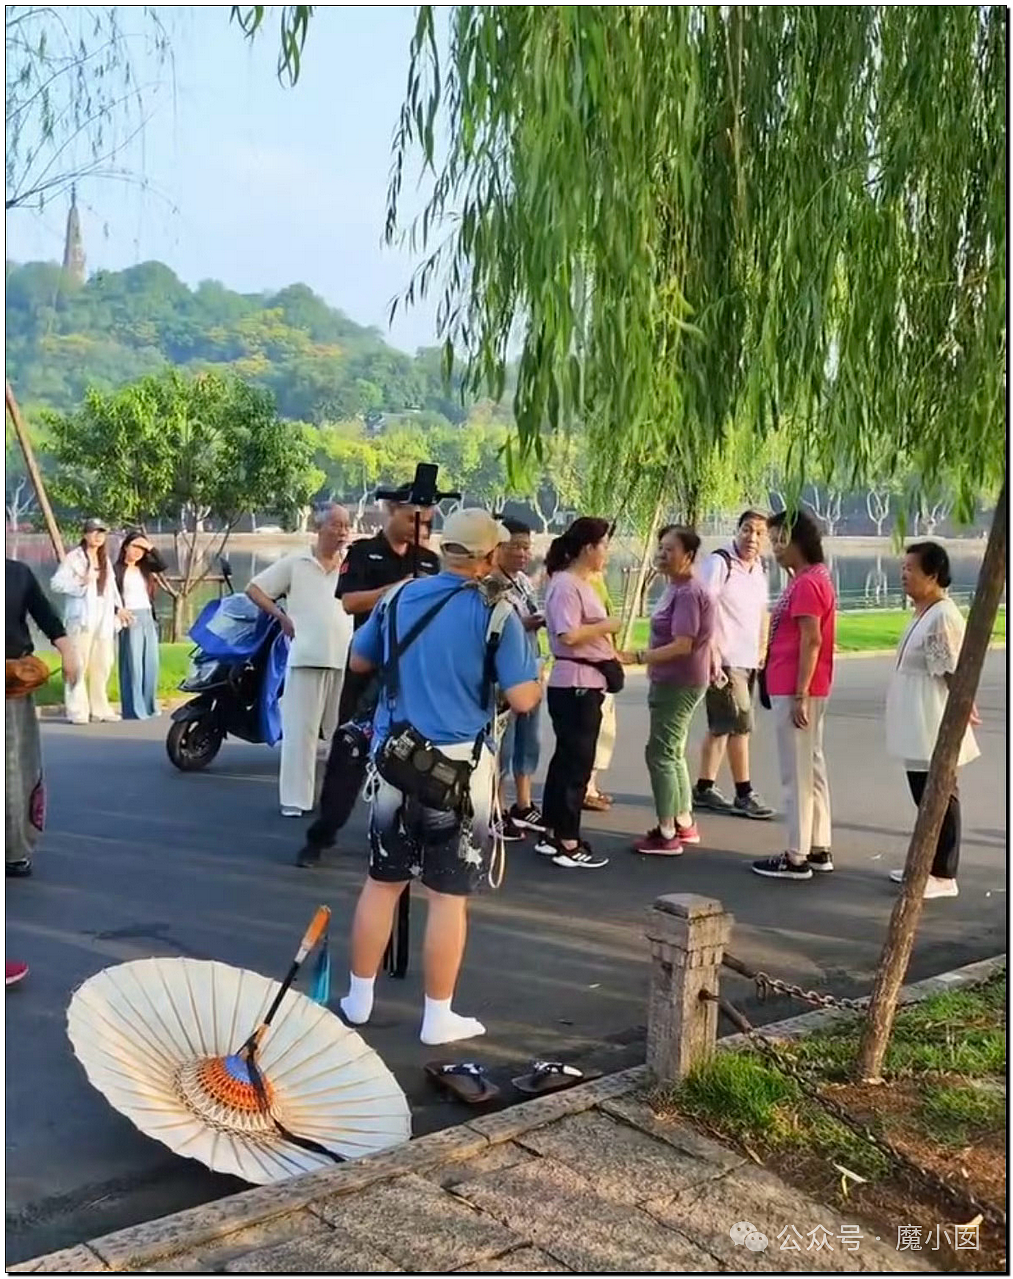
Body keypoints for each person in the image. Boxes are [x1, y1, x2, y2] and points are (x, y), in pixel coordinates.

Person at [338, 508, 540, 1045]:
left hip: (395, 757)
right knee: (448, 898)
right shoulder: (497, 614)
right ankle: (437, 1016)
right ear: (489, 556)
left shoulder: (400, 597)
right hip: (461, 771)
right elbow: (523, 698)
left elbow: (359, 662)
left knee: (382, 884)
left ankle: (358, 998)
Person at [885, 542, 980, 900]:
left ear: (933, 575)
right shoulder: (922, 612)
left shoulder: (943, 615)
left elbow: (952, 670)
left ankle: (944, 872)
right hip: (915, 716)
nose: (904, 575)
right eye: (903, 568)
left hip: (932, 717)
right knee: (923, 794)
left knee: (939, 793)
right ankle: (926, 863)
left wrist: (964, 706)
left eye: (911, 568)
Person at [247, 504, 354, 817]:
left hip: (345, 660)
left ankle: (336, 801)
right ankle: (296, 800)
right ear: (319, 528)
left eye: (346, 525)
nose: (342, 531)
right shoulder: (297, 562)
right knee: (300, 734)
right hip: (306, 657)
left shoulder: (351, 566)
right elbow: (255, 589)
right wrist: (281, 616)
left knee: (344, 736)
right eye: (336, 524)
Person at [751, 509, 837, 881]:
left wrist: (800, 693)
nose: (774, 548)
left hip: (797, 686)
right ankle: (817, 845)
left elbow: (811, 639)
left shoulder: (807, 584)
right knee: (811, 766)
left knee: (796, 772)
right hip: (797, 685)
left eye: (779, 540)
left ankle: (796, 854)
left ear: (798, 540)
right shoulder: (808, 578)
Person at [622, 527, 714, 855]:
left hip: (677, 681)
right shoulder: (676, 587)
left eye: (670, 549)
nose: (662, 554)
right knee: (672, 751)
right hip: (678, 679)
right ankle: (683, 822)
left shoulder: (688, 592)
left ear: (688, 556)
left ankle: (666, 831)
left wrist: (636, 656)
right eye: (660, 548)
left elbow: (683, 645)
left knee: (659, 754)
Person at [535, 517, 617, 870]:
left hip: (585, 680)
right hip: (577, 683)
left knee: (567, 759)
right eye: (604, 547)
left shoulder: (578, 583)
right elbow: (568, 635)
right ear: (588, 548)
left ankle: (554, 829)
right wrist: (607, 626)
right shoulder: (568, 585)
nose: (606, 555)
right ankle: (567, 838)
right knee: (576, 763)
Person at [694, 510, 773, 819]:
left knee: (722, 726)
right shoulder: (719, 563)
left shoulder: (758, 569)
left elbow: (762, 611)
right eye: (747, 530)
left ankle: (704, 788)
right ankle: (744, 792)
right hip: (725, 660)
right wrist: (711, 651)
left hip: (749, 659)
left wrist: (763, 649)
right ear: (736, 530)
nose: (752, 538)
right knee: (740, 725)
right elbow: (703, 606)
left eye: (759, 533)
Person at [335, 499, 440, 725]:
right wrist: (394, 590)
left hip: (415, 663)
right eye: (411, 519)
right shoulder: (363, 553)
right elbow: (349, 603)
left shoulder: (429, 561)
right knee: (355, 732)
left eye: (425, 523)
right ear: (392, 510)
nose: (418, 527)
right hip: (369, 659)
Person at [6, 558, 80, 877]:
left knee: (14, 767)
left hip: (10, 685)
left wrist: (69, 651)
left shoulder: (17, 573)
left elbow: (47, 616)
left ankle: (13, 848)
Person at [492, 518, 546, 837]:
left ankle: (523, 803)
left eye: (528, 547)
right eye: (517, 547)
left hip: (530, 668)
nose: (525, 553)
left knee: (530, 739)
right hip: (503, 675)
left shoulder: (524, 581)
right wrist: (522, 624)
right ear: (498, 547)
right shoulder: (490, 583)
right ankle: (495, 807)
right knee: (503, 744)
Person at [51, 518, 128, 724]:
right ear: (85, 534)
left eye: (102, 533)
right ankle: (77, 710)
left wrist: (118, 609)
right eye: (94, 532)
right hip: (82, 618)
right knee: (78, 663)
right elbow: (56, 584)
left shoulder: (105, 560)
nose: (98, 537)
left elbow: (111, 588)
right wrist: (80, 583)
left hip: (103, 619)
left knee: (103, 663)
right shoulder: (73, 558)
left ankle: (100, 707)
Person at [114, 531, 166, 721]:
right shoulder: (116, 570)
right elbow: (106, 595)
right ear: (125, 547)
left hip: (147, 616)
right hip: (130, 617)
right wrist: (117, 610)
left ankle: (149, 704)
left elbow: (163, 564)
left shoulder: (145, 569)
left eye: (141, 549)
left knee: (150, 662)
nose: (137, 552)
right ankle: (134, 708)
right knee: (133, 665)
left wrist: (150, 547)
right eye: (134, 547)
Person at [584, 568, 617, 812]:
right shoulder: (578, 583)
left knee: (605, 728)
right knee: (593, 729)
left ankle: (591, 785)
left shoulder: (599, 580)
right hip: (592, 667)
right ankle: (585, 788)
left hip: (606, 664)